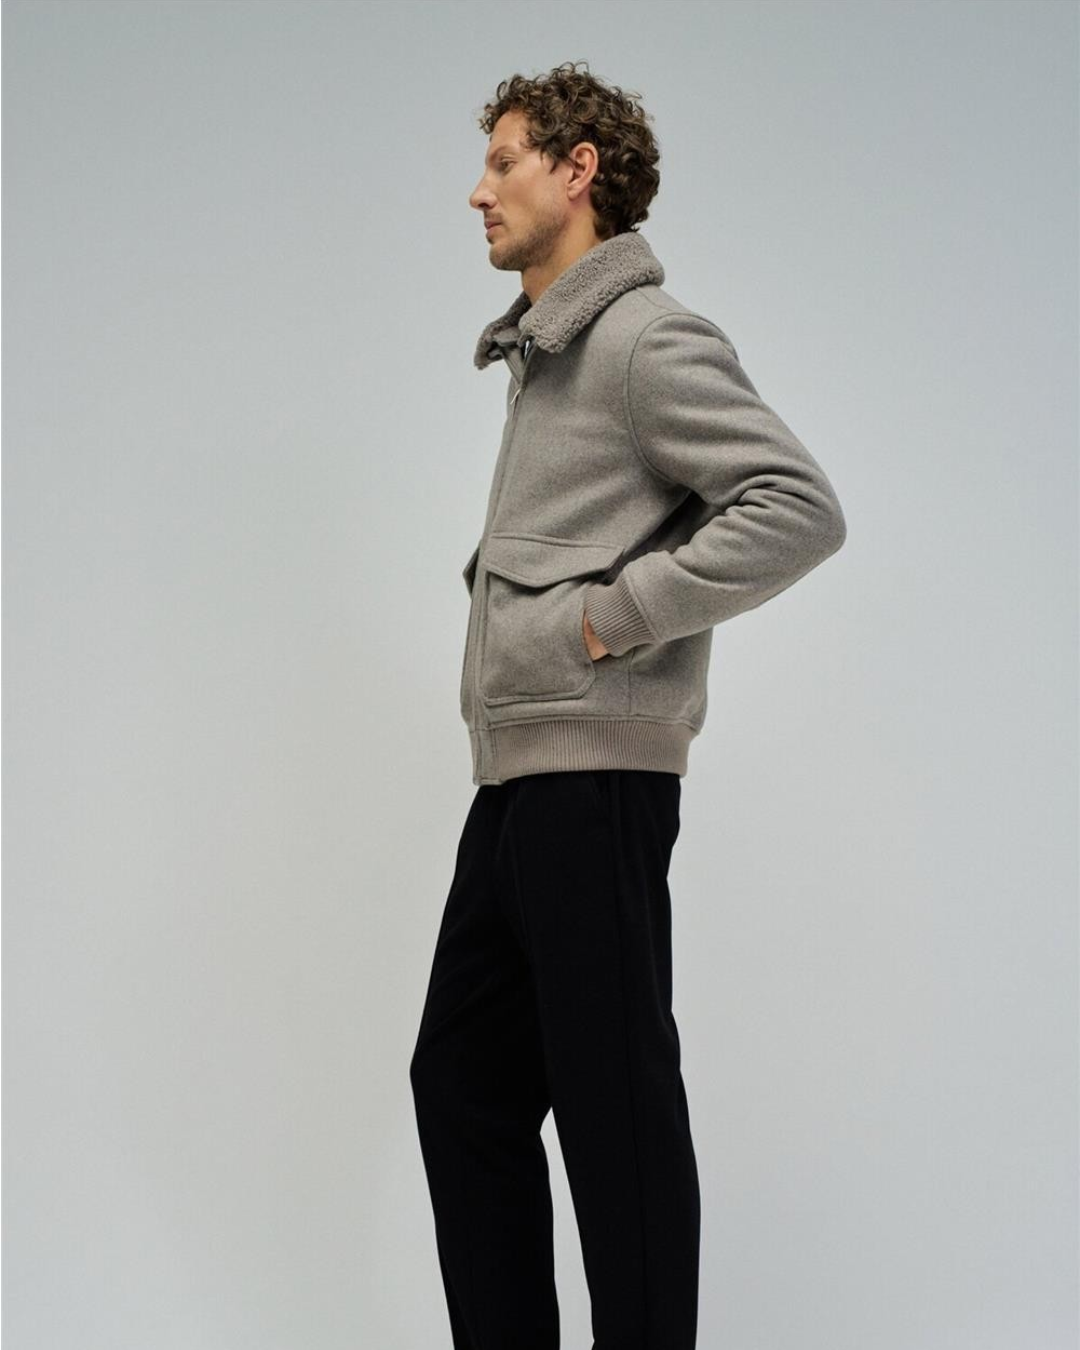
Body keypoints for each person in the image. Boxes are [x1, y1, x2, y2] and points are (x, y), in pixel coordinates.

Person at [409, 61, 847, 1350]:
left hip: (596, 778)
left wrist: (614, 617)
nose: (478, 190)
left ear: (578, 169)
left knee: (615, 1110)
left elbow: (797, 507)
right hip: (517, 781)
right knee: (462, 1085)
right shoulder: (550, 353)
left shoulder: (647, 340)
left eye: (504, 161)